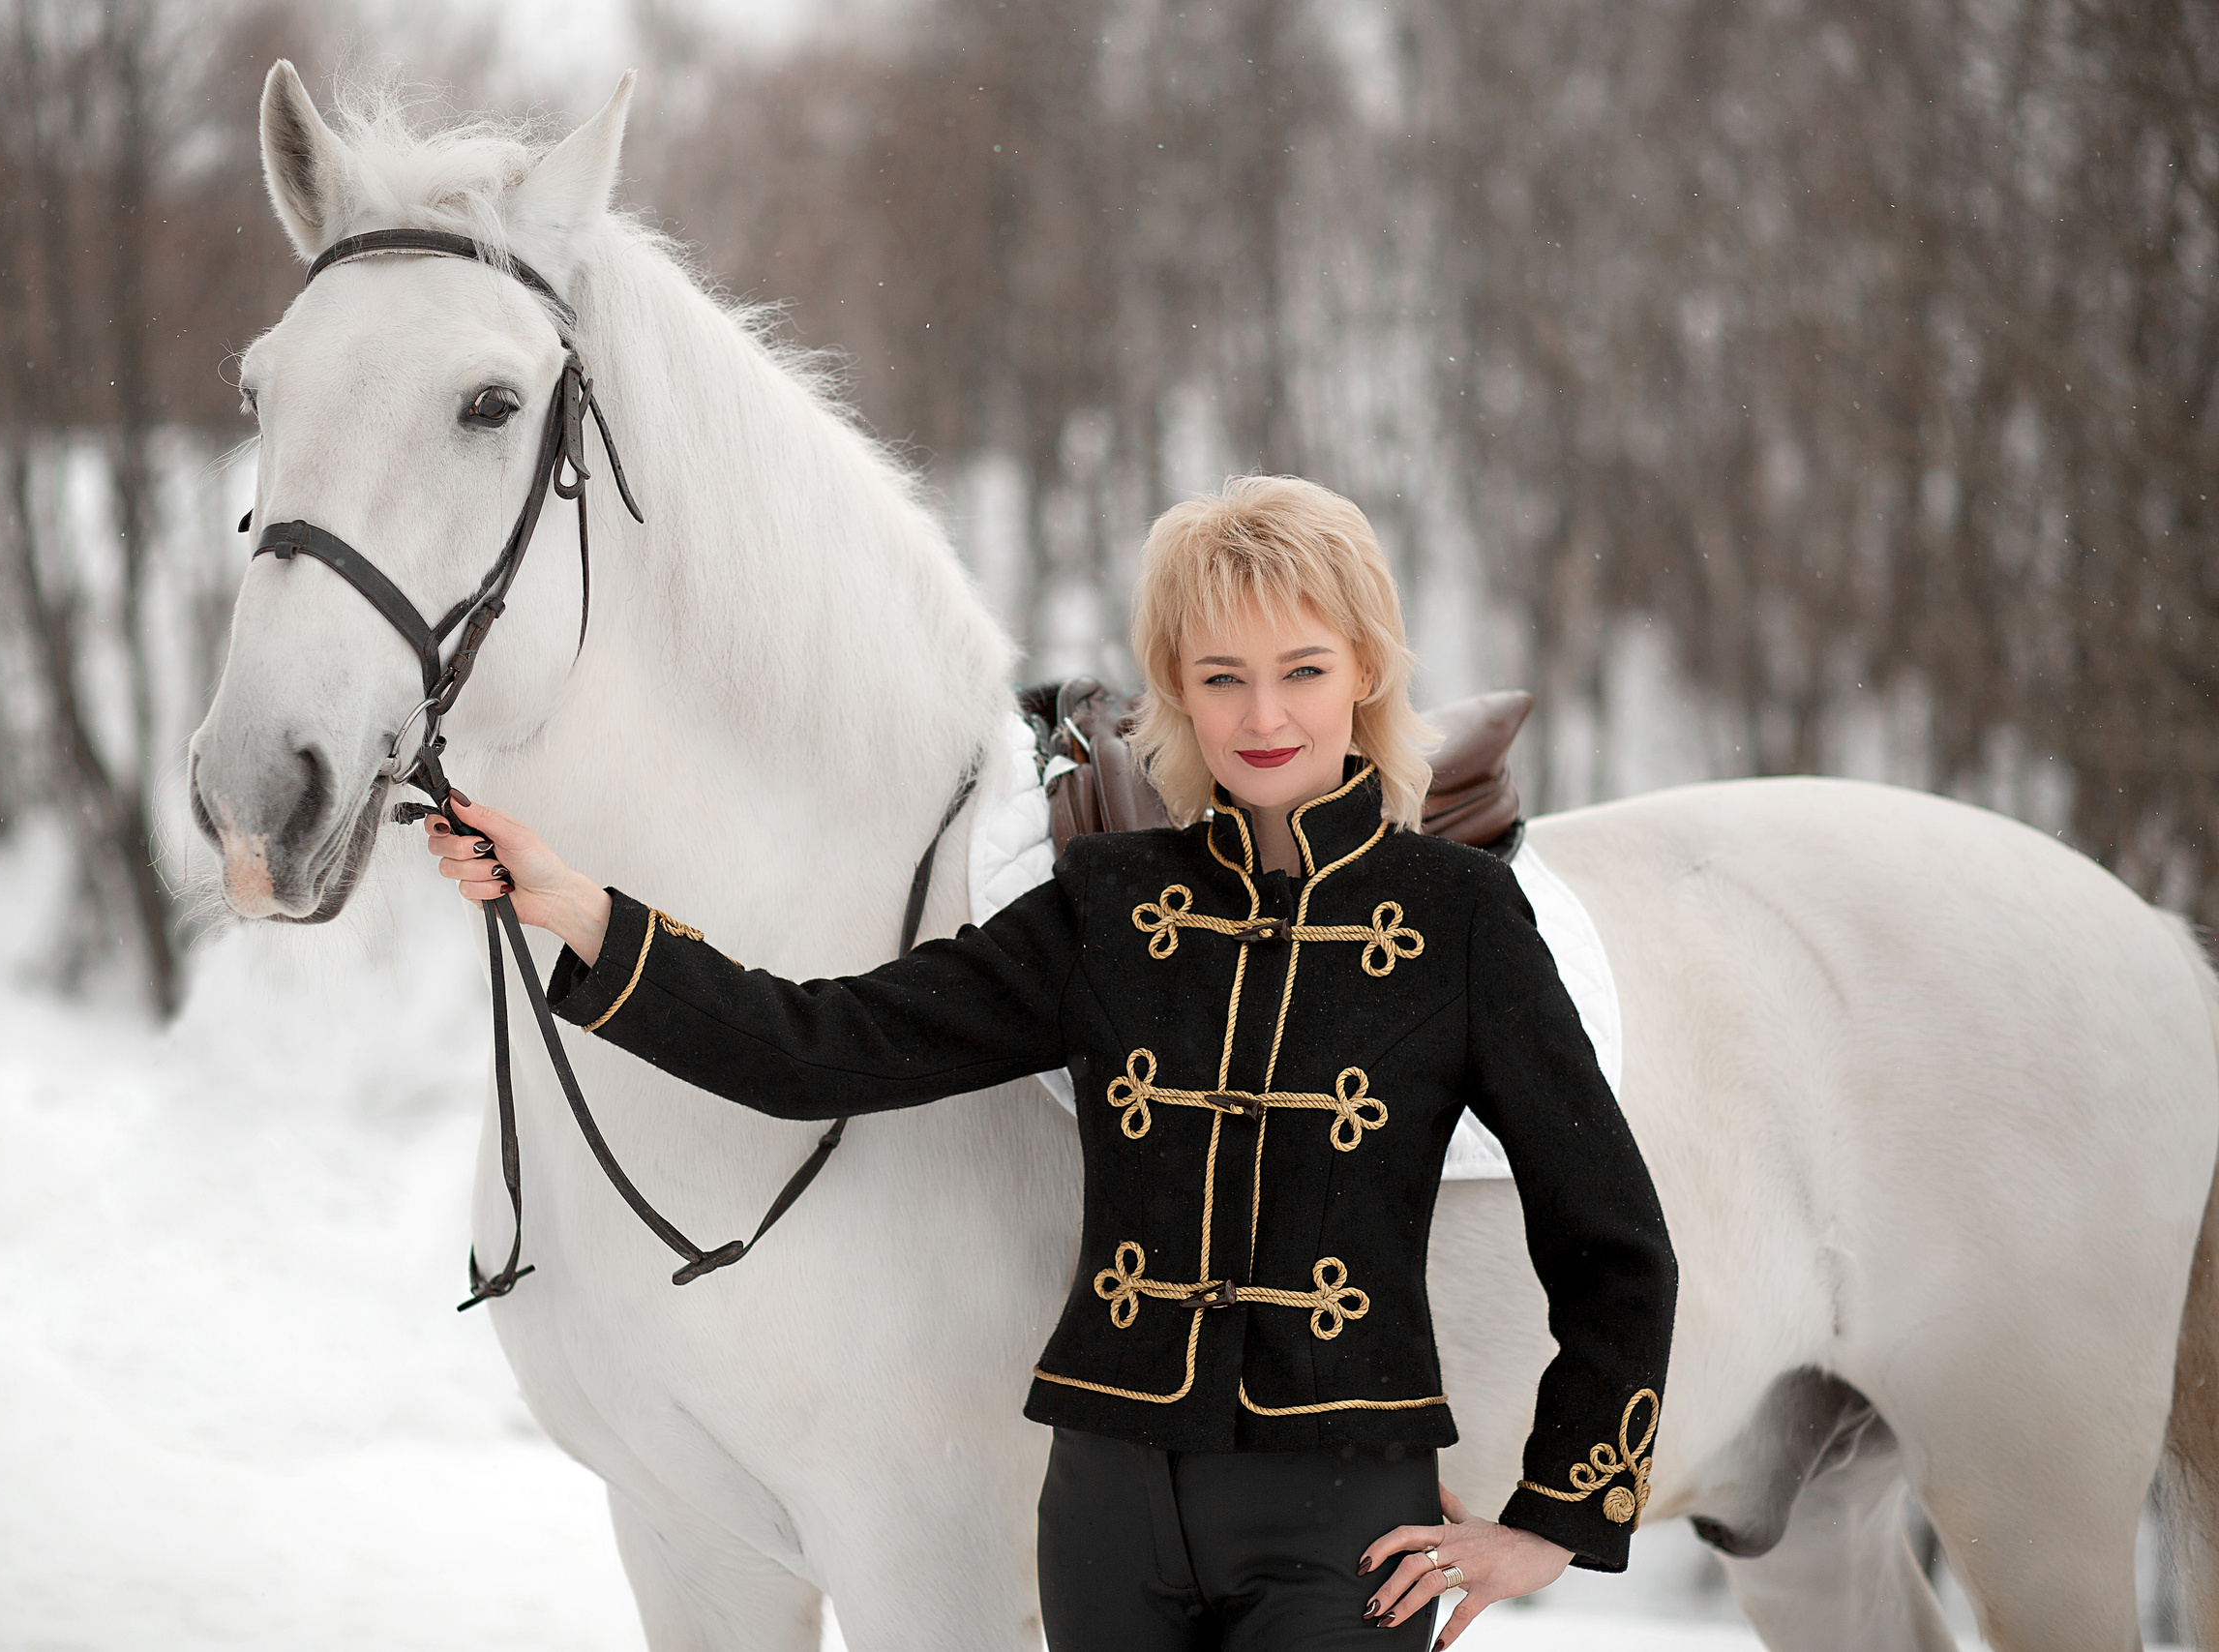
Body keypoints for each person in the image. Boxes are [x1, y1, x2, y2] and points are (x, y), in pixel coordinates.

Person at [420, 475, 1677, 1650]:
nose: (1266, 714)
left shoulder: (1458, 918)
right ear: (1177, 692)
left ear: (1365, 672)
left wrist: (1555, 1517)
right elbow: (820, 1045)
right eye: (1221, 676)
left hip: (1343, 1522)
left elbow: (1611, 1235)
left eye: (1303, 669)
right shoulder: (1111, 905)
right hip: (1105, 1515)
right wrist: (584, 911)